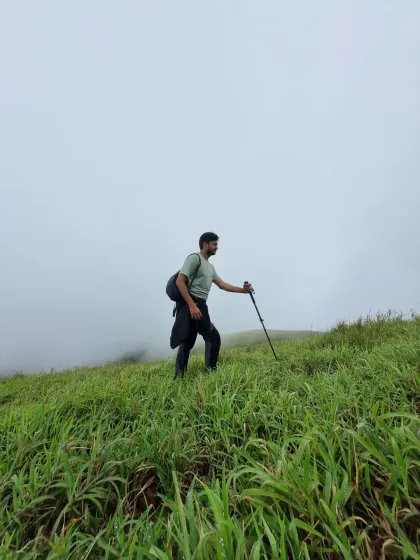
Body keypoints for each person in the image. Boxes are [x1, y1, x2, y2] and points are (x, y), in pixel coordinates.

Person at [170, 232, 253, 379]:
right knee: (200, 339)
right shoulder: (194, 259)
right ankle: (188, 375)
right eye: (214, 244)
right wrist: (192, 305)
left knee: (200, 339)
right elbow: (180, 282)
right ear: (205, 244)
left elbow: (222, 285)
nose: (217, 247)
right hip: (191, 304)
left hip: (200, 304)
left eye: (217, 244)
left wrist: (243, 291)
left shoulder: (210, 267)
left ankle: (201, 374)